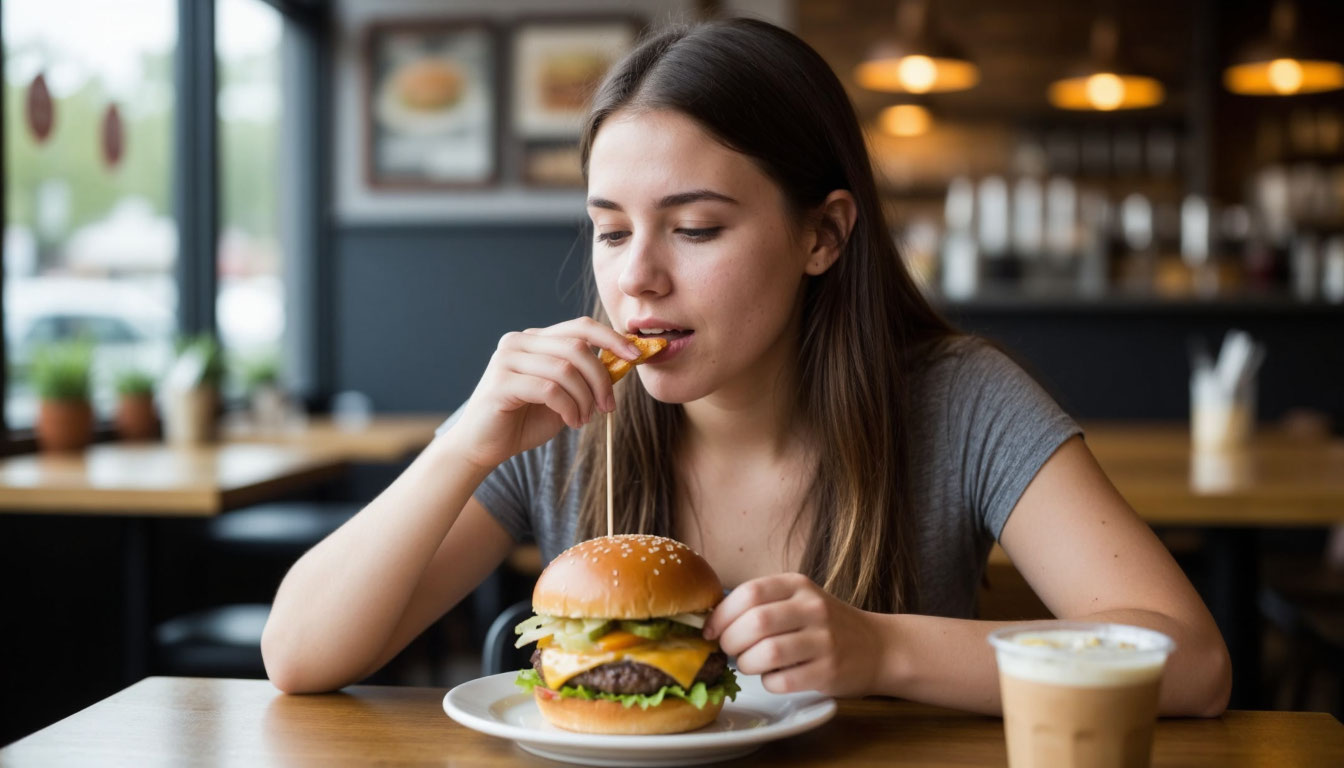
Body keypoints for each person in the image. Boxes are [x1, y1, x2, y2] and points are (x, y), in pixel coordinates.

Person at [262, 17, 1230, 716]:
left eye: (694, 228)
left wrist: (886, 647)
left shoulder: (960, 397)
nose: (636, 278)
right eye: (608, 231)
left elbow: (1189, 663)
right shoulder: (564, 414)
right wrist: (462, 447)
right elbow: (298, 657)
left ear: (823, 234)